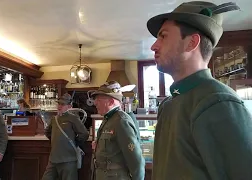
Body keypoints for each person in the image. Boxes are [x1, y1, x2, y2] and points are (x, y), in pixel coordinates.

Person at [146, 1, 252, 179]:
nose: (154, 46)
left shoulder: (217, 102)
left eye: (163, 36)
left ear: (191, 43)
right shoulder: (169, 104)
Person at [91, 81, 145, 180]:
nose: (95, 103)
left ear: (111, 102)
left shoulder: (121, 121)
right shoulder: (108, 118)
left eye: (99, 100)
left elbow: (136, 160)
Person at [42, 93, 89, 180]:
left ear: (69, 106)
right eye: (59, 103)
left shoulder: (73, 118)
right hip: (53, 159)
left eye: (62, 104)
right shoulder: (54, 119)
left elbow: (84, 134)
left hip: (69, 160)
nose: (59, 106)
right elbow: (47, 132)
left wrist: (75, 143)